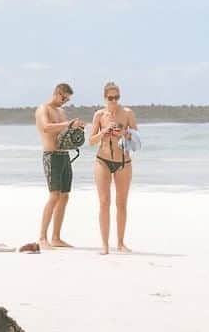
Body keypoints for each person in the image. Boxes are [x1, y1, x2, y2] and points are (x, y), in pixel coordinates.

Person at [88, 81, 138, 255]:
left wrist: (123, 133)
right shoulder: (99, 115)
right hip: (103, 160)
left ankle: (121, 242)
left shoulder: (128, 113)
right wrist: (103, 132)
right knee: (103, 202)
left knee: (121, 203)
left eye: (117, 97)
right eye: (111, 98)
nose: (114, 101)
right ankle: (104, 244)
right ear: (105, 98)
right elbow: (91, 141)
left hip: (123, 162)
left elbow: (137, 140)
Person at [35, 82, 85, 249]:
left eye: (67, 99)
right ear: (56, 93)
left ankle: (56, 237)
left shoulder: (61, 112)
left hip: (64, 155)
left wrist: (76, 129)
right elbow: (46, 128)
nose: (64, 101)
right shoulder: (44, 109)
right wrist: (68, 124)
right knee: (54, 195)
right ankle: (42, 238)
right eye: (63, 97)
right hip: (51, 156)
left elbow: (64, 133)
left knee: (65, 196)